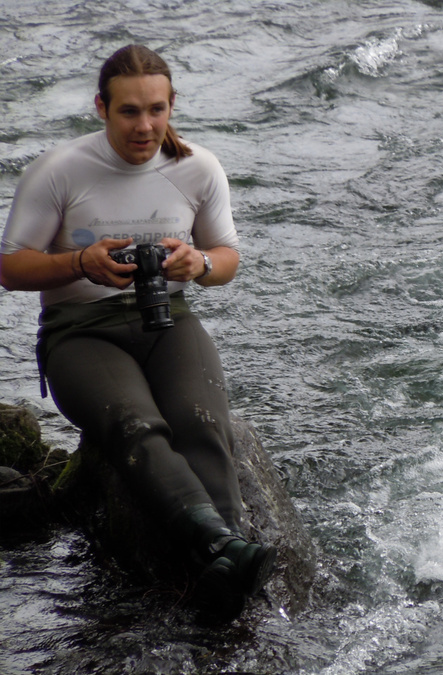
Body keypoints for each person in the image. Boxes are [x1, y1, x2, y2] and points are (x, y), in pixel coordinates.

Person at [0, 44, 275, 622]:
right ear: (102, 108)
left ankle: (226, 558)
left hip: (168, 318)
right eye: (129, 111)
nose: (144, 125)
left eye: (156, 109)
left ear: (173, 105)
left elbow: (227, 259)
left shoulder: (198, 167)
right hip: (80, 331)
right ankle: (225, 550)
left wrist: (194, 264)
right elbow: (10, 268)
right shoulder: (58, 171)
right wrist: (80, 264)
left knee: (204, 424)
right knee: (136, 426)